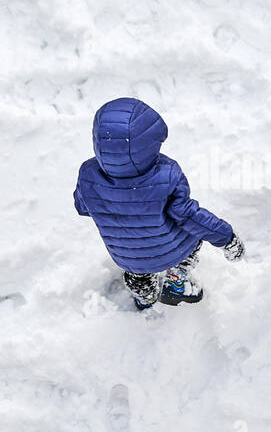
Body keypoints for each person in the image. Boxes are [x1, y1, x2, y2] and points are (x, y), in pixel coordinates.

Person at [75, 97, 245, 310]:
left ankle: (144, 293)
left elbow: (82, 207)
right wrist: (225, 237)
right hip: (174, 249)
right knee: (189, 248)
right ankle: (176, 281)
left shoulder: (88, 175)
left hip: (128, 256)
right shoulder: (166, 174)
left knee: (138, 272)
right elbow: (189, 216)